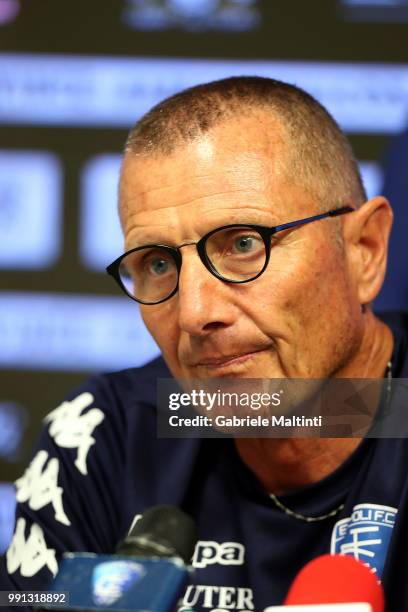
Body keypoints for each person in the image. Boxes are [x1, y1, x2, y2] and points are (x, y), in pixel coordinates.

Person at [1, 76, 408, 612]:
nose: (195, 313)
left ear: (365, 250)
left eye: (244, 243)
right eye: (158, 263)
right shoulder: (106, 438)